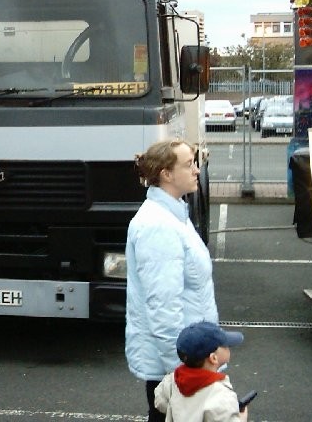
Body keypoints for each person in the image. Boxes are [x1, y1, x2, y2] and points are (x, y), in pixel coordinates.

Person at [125, 139, 219, 422]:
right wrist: (182, 370)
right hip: (179, 365)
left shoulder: (174, 213)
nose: (196, 171)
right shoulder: (158, 225)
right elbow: (163, 307)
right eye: (189, 164)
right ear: (166, 174)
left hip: (190, 357)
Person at [153, 321, 248, 422]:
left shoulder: (172, 380)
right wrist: (241, 419)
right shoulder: (221, 396)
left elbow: (160, 402)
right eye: (226, 345)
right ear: (213, 358)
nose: (228, 348)